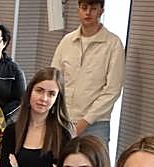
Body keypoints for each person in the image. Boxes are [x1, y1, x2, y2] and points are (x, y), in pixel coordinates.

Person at [50, 0, 125, 143]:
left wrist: (85, 121)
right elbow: (54, 78)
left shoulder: (113, 44)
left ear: (101, 10)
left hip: (96, 123)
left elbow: (112, 90)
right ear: (78, 9)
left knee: (94, 164)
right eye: (84, 7)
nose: (88, 12)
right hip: (64, 119)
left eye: (93, 8)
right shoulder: (67, 41)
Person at [0, 67, 72, 167]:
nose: (43, 98)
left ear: (57, 99)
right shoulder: (12, 131)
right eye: (39, 91)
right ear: (30, 91)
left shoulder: (63, 136)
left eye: (51, 94)